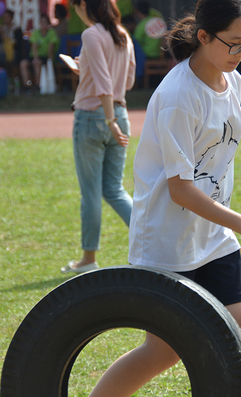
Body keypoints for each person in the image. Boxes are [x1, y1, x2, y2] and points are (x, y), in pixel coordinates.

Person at [89, 1, 241, 396]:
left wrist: (230, 222)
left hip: (213, 231)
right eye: (233, 43)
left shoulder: (232, 80)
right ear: (204, 36)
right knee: (163, 350)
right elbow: (180, 189)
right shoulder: (179, 95)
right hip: (167, 237)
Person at [59, 0, 135, 275]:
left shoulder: (91, 34)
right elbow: (126, 82)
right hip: (120, 115)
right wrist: (86, 68)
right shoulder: (123, 34)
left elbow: (103, 81)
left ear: (84, 6)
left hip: (95, 118)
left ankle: (88, 258)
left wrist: (108, 119)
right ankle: (151, 242)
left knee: (91, 192)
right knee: (114, 189)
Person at [19, 14, 59, 92]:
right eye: (41, 22)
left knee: (37, 64)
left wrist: (49, 60)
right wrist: (35, 58)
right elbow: (34, 47)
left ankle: (38, 85)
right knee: (23, 64)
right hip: (34, 56)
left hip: (45, 57)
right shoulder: (35, 33)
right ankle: (26, 86)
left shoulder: (52, 33)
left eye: (45, 22)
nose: (43, 24)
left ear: (48, 23)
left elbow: (51, 47)